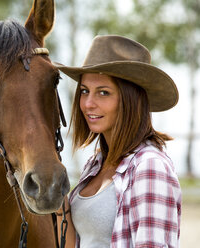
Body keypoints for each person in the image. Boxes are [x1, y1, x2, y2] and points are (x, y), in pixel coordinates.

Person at [54, 35, 182, 248]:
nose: (88, 103)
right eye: (85, 91)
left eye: (103, 93)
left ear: (130, 100)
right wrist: (59, 202)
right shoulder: (96, 165)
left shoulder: (149, 166)